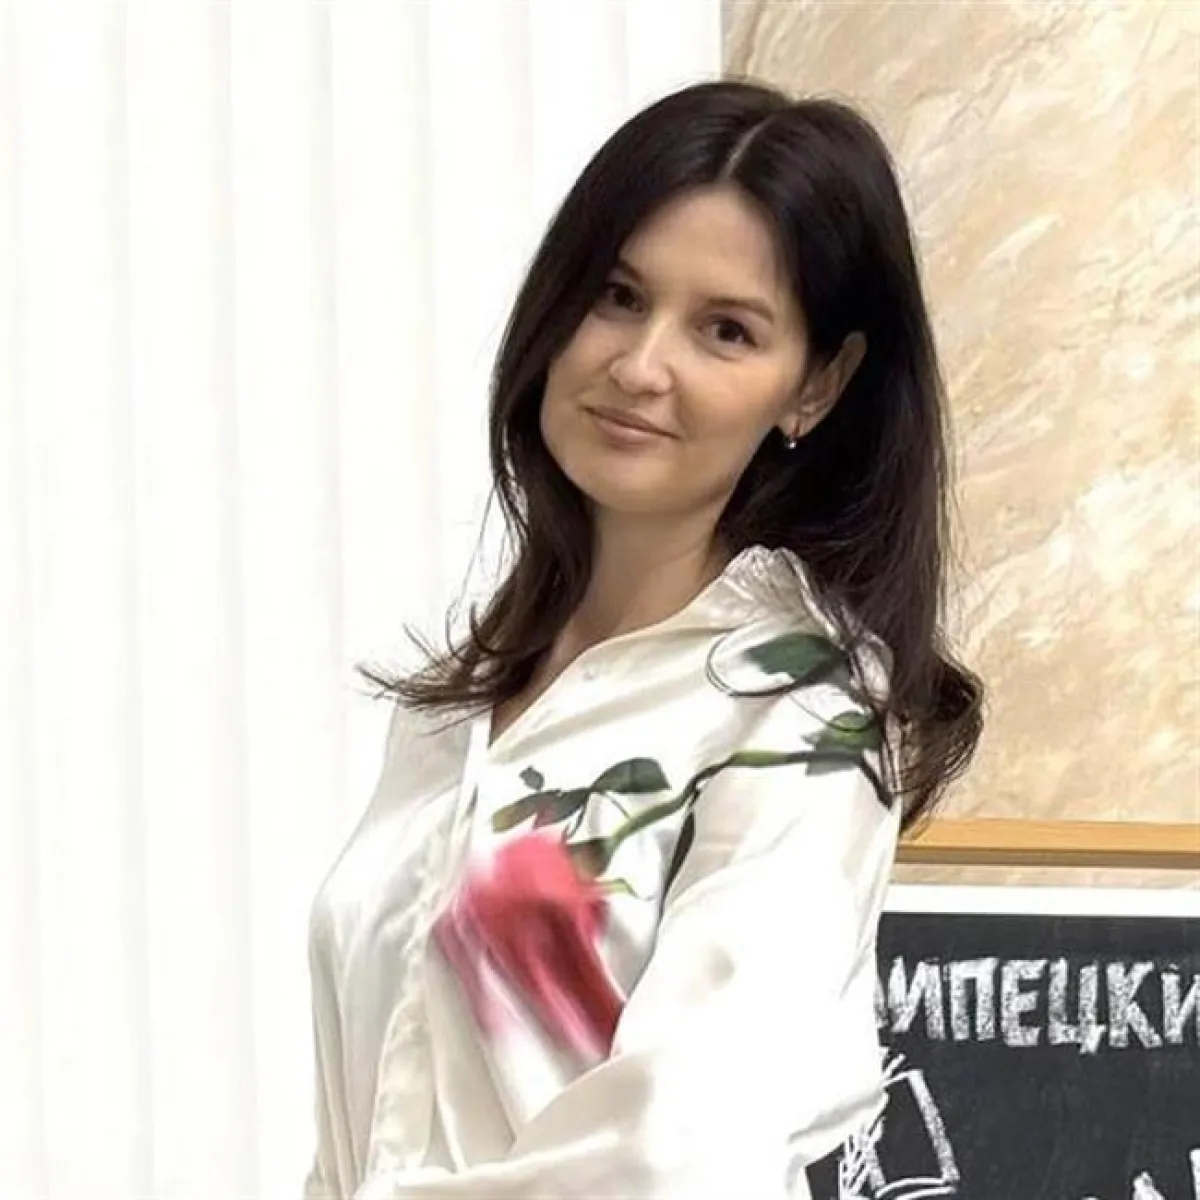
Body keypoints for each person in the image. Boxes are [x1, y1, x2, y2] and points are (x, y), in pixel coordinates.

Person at [303, 78, 983, 1200]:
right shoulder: (468, 697)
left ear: (816, 386)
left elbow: (682, 1150)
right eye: (619, 296)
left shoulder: (800, 710)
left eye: (726, 330)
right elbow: (371, 1123)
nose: (640, 365)